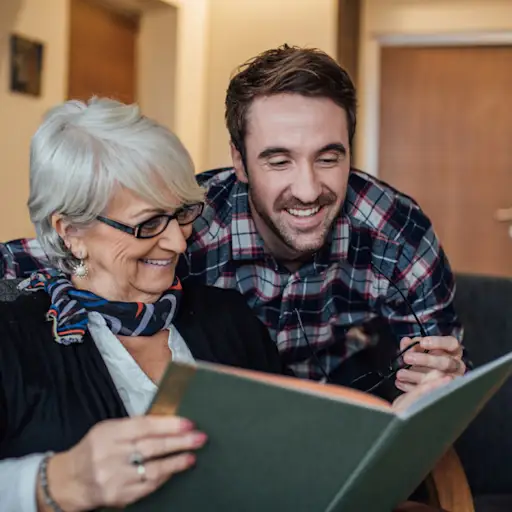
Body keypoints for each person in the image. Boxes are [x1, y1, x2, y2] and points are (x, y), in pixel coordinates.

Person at [0, 97, 449, 512]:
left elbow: (292, 458)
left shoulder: (226, 316)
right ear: (70, 231)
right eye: (149, 223)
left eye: (181, 214)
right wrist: (54, 482)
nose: (177, 242)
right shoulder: (14, 338)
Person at [0, 45, 467, 400]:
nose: (308, 189)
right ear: (238, 162)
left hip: (355, 402)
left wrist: (439, 382)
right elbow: (63, 249)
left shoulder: (396, 230)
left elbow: (438, 365)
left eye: (328, 157)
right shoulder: (187, 219)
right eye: (278, 161)